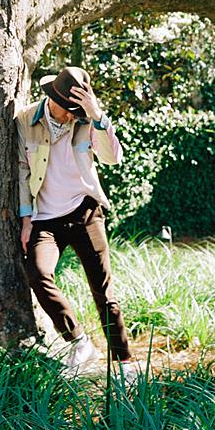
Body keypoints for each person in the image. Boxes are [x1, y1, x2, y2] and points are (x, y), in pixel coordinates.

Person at [15, 66, 137, 379]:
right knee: (38, 273)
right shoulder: (26, 121)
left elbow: (113, 158)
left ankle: (124, 362)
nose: (71, 116)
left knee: (103, 289)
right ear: (50, 98)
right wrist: (26, 219)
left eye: (76, 110)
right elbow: (21, 171)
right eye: (67, 109)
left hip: (84, 212)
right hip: (44, 219)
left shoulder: (86, 120)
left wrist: (96, 115)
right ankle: (79, 342)